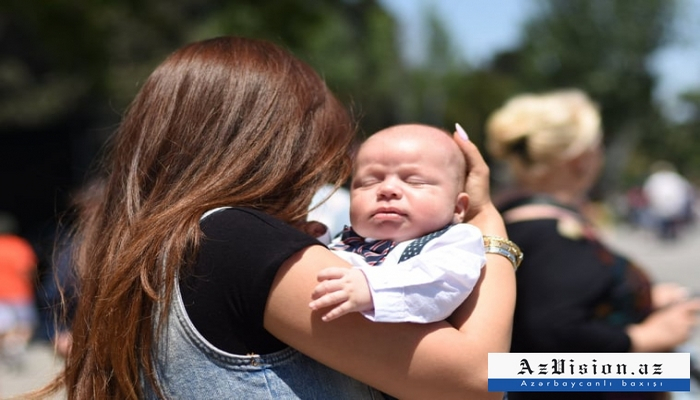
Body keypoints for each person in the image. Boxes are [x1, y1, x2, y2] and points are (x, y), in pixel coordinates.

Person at [33, 36, 516, 400]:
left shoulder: (156, 246)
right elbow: (481, 378)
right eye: (321, 155)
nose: (319, 178)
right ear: (275, 147)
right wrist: (488, 228)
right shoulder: (240, 242)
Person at [485, 88, 700, 400]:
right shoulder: (552, 234)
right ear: (580, 159)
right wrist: (646, 338)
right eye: (598, 145)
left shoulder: (512, 216)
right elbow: (539, 350)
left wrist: (640, 298)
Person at [309, 124, 490, 324]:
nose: (387, 189)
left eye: (414, 181)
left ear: (458, 208)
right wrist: (316, 243)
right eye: (369, 182)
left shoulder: (456, 242)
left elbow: (439, 286)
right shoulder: (348, 239)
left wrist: (372, 288)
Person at [0, 211, 38, 369]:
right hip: (20, 292)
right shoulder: (20, 246)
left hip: (1, 294)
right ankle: (17, 345)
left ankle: (10, 345)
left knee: (4, 326)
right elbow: (29, 270)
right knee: (25, 324)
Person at [642, 160, 696, 241]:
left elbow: (647, 190)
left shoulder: (654, 178)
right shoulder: (676, 177)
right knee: (670, 218)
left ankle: (665, 233)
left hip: (661, 202)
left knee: (663, 219)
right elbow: (687, 189)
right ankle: (670, 233)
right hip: (675, 202)